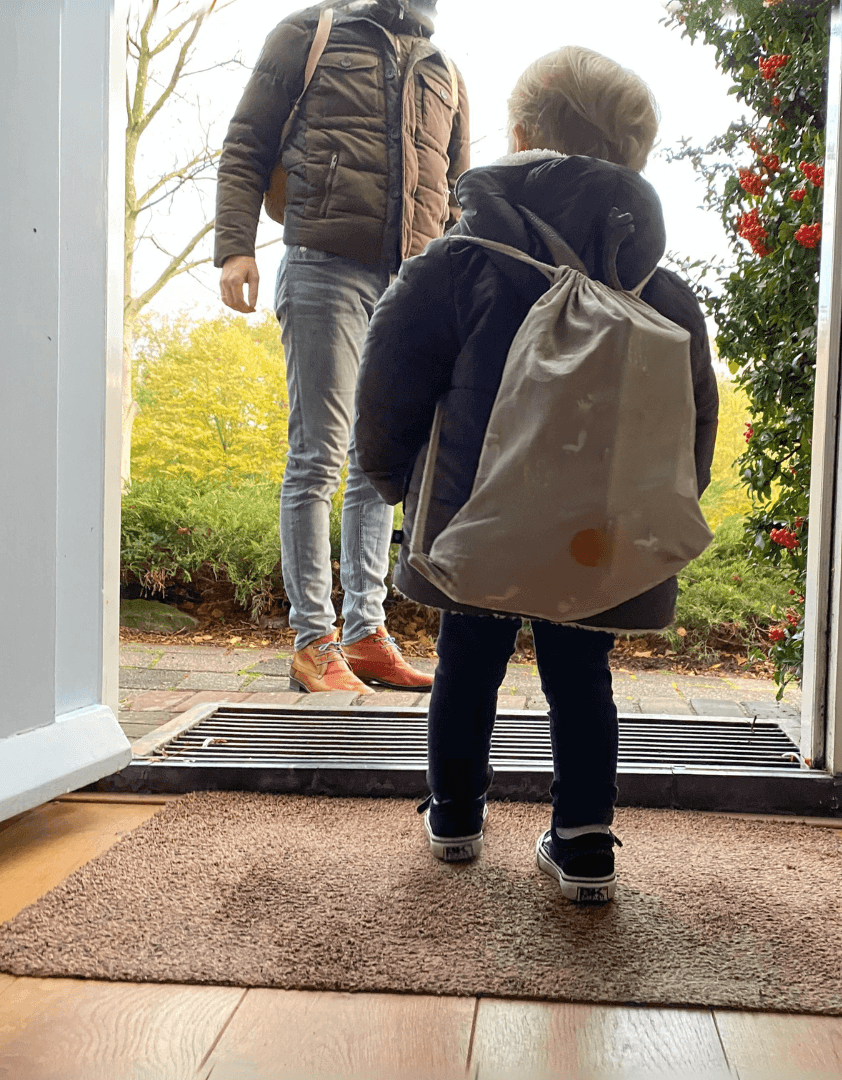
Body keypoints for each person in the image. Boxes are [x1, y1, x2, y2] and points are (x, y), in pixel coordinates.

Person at [354, 47, 720, 903]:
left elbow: (392, 371)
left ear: (518, 137)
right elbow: (691, 418)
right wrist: (663, 517)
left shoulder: (460, 258)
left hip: (478, 511)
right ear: (634, 162)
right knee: (579, 676)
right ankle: (586, 842)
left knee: (466, 661)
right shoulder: (660, 291)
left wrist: (389, 478)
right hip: (597, 534)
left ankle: (454, 818)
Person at [214, 0, 466, 694]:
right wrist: (236, 247)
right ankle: (312, 640)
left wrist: (457, 286)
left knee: (378, 461)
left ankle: (364, 633)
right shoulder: (309, 33)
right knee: (319, 454)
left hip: (411, 279)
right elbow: (246, 144)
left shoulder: (443, 69)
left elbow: (457, 193)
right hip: (324, 262)